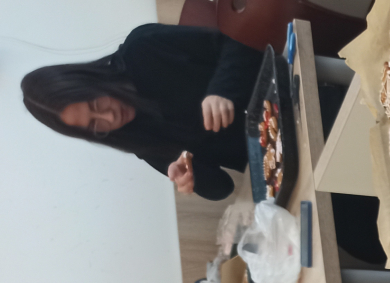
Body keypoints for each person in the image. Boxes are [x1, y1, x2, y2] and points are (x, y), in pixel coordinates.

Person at [23, 23, 261, 200]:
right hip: (270, 146)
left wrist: (221, 91)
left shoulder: (143, 47)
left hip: (275, 86)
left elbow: (238, 39)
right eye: (94, 125)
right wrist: (192, 172)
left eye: (96, 105)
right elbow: (222, 188)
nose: (109, 117)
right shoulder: (138, 139)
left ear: (91, 80)